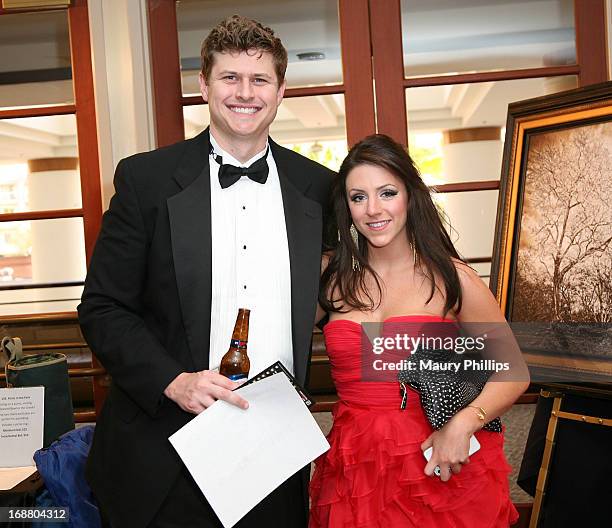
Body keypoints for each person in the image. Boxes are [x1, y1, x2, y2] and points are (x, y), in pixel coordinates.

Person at [78, 15, 332, 528]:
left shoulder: (319, 188)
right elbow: (103, 308)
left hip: (274, 451)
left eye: (259, 79)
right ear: (204, 85)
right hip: (164, 450)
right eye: (229, 77)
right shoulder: (145, 180)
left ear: (281, 90)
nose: (245, 92)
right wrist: (174, 382)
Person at [309, 134, 530, 527]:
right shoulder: (331, 279)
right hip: (354, 464)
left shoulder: (452, 277)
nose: (373, 209)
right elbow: (270, 342)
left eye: (387, 192)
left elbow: (513, 373)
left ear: (411, 196)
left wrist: (463, 424)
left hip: (436, 457)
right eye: (358, 197)